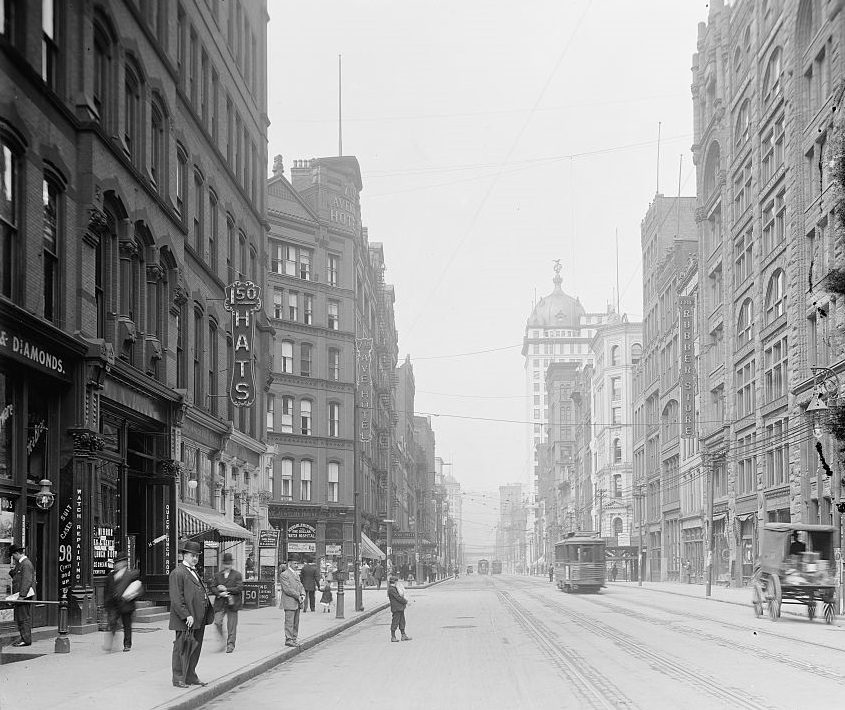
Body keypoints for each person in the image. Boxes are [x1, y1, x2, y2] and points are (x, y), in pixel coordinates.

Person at [169, 540, 212, 688]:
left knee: (194, 648)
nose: (195, 558)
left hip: (198, 618)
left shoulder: (192, 571)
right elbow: (176, 599)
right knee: (182, 648)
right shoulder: (178, 573)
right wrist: (186, 615)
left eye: (197, 556)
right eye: (192, 555)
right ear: (184, 555)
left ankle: (190, 675)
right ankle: (178, 677)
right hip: (186, 619)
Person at [103, 553, 142, 652]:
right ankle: (109, 644)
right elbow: (107, 590)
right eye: (115, 563)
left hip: (126, 604)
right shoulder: (111, 575)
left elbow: (138, 588)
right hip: (113, 604)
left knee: (127, 624)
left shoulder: (130, 574)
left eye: (118, 563)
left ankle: (127, 644)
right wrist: (106, 602)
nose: (116, 565)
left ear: (124, 563)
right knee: (112, 622)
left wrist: (133, 595)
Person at [212, 552, 243, 653]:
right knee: (217, 621)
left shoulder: (237, 575)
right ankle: (222, 640)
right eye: (225, 564)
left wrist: (226, 589)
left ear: (232, 564)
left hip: (232, 603)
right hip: (220, 602)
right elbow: (212, 587)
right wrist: (219, 593)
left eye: (229, 564)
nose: (227, 566)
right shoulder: (217, 575)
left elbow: (239, 588)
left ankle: (230, 644)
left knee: (232, 625)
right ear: (223, 564)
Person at [8, 543, 36, 647]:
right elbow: (18, 576)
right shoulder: (22, 564)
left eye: (13, 555)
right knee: (21, 617)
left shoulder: (26, 564)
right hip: (21, 595)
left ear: (16, 553)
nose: (13, 558)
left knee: (23, 618)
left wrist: (22, 596)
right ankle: (24, 637)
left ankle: (26, 639)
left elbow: (27, 581)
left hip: (23, 596)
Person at [279, 559, 305, 647]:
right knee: (289, 622)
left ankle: (294, 638)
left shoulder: (296, 574)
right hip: (289, 601)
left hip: (297, 601)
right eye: (295, 563)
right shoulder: (284, 574)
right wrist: (298, 595)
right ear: (289, 564)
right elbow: (287, 589)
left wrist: (303, 594)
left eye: (297, 563)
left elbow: (301, 585)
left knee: (296, 622)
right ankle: (289, 639)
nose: (296, 565)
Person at [387, 575, 411, 642]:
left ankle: (403, 635)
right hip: (396, 608)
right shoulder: (391, 589)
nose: (397, 583)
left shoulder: (395, 588)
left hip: (400, 607)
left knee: (402, 621)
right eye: (397, 581)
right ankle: (393, 636)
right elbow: (398, 597)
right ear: (394, 582)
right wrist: (405, 601)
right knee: (395, 622)